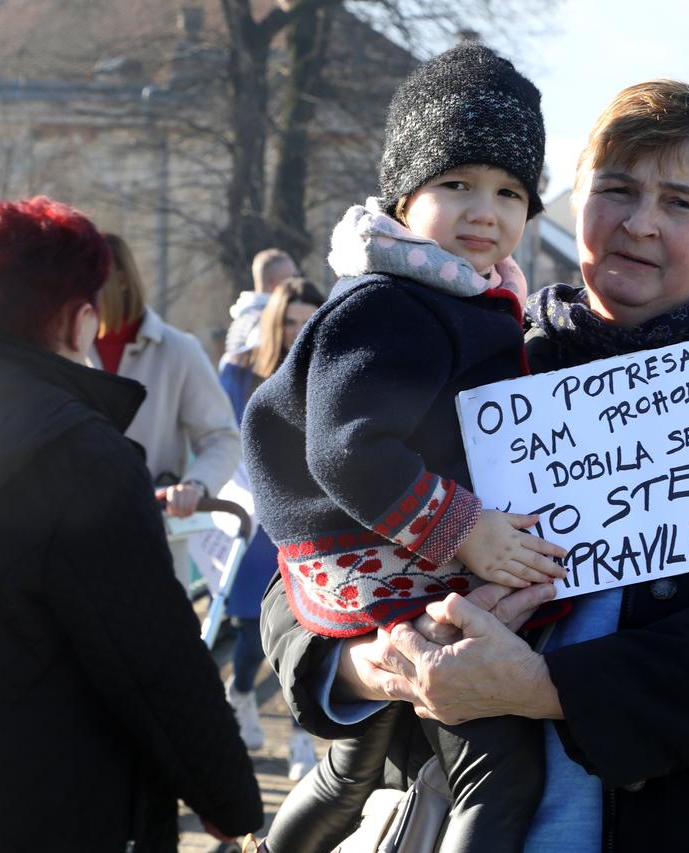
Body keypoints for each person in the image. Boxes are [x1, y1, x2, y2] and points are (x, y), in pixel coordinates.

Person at [262, 79, 689, 852]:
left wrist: (544, 689)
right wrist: (383, 662)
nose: (640, 222)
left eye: (681, 203)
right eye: (617, 190)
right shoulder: (479, 352)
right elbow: (305, 561)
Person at [244, 44, 567, 853]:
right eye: (456, 184)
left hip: (374, 554)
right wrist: (467, 530)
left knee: (352, 765)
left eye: (510, 191)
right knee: (496, 770)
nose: (485, 210)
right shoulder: (394, 302)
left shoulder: (461, 294)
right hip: (378, 553)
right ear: (404, 193)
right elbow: (347, 450)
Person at [0, 196, 264, 851]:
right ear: (80, 318)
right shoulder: (82, 456)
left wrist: (194, 487)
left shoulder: (164, 364)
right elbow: (150, 652)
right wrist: (226, 794)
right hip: (49, 795)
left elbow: (218, 436)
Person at [218, 276, 326, 780]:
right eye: (289, 322)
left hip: (311, 518)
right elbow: (224, 435)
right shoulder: (241, 372)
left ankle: (301, 741)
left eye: (307, 321)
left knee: (308, 627)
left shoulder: (328, 367)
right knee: (249, 628)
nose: (296, 332)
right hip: (254, 512)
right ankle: (240, 692)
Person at [92, 234, 241, 589]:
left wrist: (194, 485)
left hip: (152, 538)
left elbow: (221, 437)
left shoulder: (178, 350)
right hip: (75, 543)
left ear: (122, 280)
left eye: (89, 277)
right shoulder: (59, 351)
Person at [226, 247, 299, 354]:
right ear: (275, 283)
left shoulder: (247, 314)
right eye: (292, 277)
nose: (297, 282)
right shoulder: (266, 318)